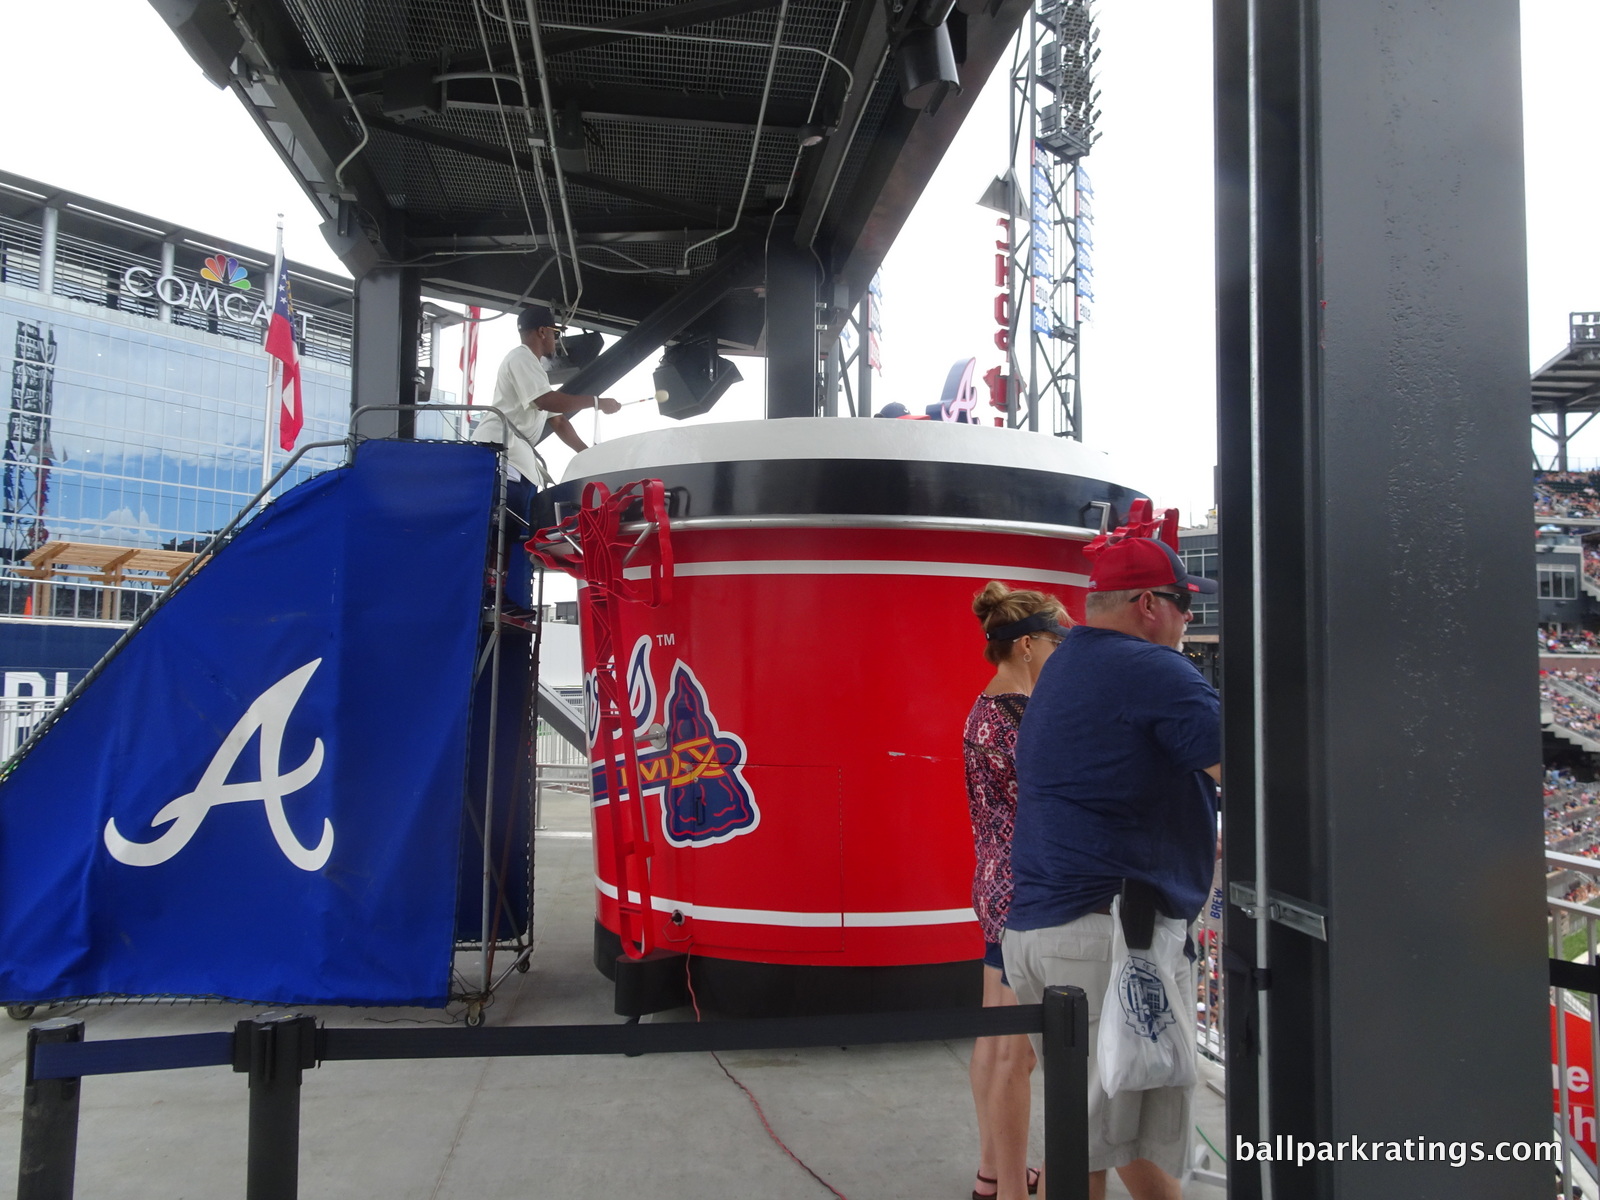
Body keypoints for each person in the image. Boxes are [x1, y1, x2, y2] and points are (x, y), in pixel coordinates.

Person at [1002, 536, 1221, 1200]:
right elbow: (1256, 769)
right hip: (1104, 938)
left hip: (1048, 931)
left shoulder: (1066, 664)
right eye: (1185, 605)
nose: (1191, 620)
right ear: (1149, 605)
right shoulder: (1151, 668)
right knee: (1088, 1151)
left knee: (1102, 1137)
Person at [964, 583, 1073, 1200]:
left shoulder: (985, 709)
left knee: (992, 1043)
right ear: (1028, 644)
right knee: (1018, 1055)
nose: (1063, 653)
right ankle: (1009, 1188)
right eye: (1058, 642)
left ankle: (990, 1174)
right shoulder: (1021, 718)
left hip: (994, 886)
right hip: (1027, 895)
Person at [470, 304, 621, 482]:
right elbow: (546, 401)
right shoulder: (521, 357)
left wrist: (587, 454)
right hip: (497, 450)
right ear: (542, 332)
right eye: (555, 333)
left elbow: (558, 421)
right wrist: (597, 402)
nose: (556, 340)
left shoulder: (533, 368)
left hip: (510, 454)